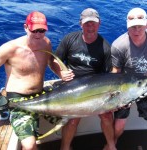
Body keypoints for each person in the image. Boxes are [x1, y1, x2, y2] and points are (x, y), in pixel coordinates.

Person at [0, 11, 73, 150]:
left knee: (72, 117)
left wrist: (61, 73)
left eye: (42, 30)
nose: (38, 35)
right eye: (35, 30)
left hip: (42, 96)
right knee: (30, 145)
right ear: (26, 27)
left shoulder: (46, 43)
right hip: (19, 101)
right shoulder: (10, 49)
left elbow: (51, 61)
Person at [55, 8, 116, 150]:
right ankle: (65, 147)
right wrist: (60, 74)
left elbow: (108, 76)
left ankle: (111, 146)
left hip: (95, 89)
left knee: (107, 116)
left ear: (99, 24)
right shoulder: (70, 39)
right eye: (87, 23)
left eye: (93, 23)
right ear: (80, 24)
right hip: (71, 88)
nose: (90, 27)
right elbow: (53, 61)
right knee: (72, 120)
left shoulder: (105, 47)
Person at [111, 7, 147, 145]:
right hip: (126, 88)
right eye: (133, 27)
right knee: (119, 124)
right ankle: (112, 144)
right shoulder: (119, 45)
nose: (136, 30)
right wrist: (116, 98)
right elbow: (116, 73)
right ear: (127, 26)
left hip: (144, 86)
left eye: (140, 26)